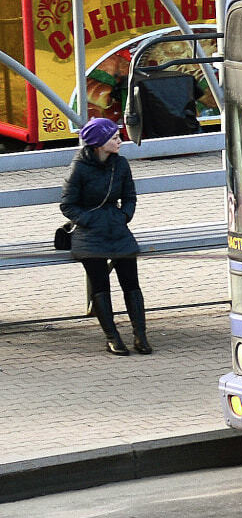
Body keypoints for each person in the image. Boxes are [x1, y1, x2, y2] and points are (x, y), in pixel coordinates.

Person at [60, 118, 151, 356]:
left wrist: (124, 216)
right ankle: (113, 337)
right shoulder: (79, 167)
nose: (120, 141)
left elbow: (130, 196)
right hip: (89, 234)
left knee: (131, 282)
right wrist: (92, 221)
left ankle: (140, 336)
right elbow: (68, 205)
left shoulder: (120, 164)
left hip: (117, 228)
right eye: (114, 138)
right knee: (101, 284)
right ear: (99, 143)